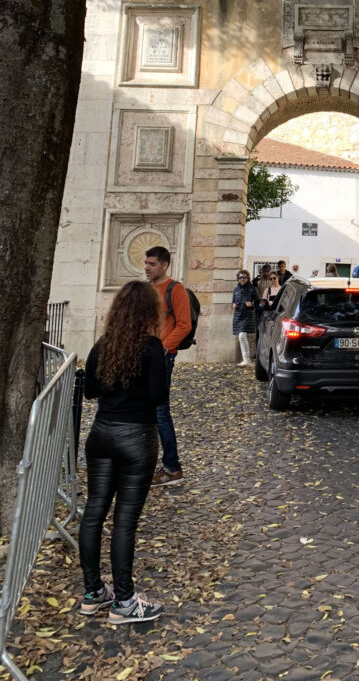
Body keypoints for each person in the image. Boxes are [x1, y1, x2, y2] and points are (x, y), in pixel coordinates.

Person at [78, 280, 167, 624]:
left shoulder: (103, 345)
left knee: (94, 511)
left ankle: (92, 593)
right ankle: (125, 601)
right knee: (125, 521)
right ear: (149, 312)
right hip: (136, 437)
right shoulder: (152, 347)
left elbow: (89, 392)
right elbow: (159, 396)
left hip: (101, 434)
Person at [144, 246, 190, 486]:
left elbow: (184, 325)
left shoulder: (176, 289)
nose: (147, 267)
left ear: (164, 265)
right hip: (145, 356)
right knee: (146, 410)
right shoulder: (148, 289)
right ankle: (147, 463)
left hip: (162, 358)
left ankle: (172, 467)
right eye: (146, 263)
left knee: (161, 411)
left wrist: (161, 348)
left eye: (151, 263)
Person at [232, 270, 257, 365]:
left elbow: (258, 302)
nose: (242, 279)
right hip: (238, 314)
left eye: (244, 277)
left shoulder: (252, 289)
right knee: (240, 336)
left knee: (242, 336)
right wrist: (233, 305)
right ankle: (246, 359)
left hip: (248, 314)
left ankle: (246, 359)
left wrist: (252, 304)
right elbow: (233, 301)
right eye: (240, 277)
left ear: (248, 278)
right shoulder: (236, 289)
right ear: (238, 279)